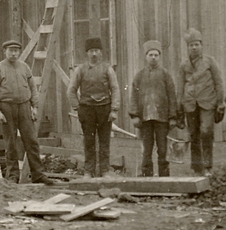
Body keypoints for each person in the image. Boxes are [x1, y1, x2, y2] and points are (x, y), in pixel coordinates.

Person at [0, 39, 49, 184]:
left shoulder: (24, 67)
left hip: (24, 107)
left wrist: (34, 107)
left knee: (32, 141)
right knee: (11, 143)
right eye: (11, 50)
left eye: (16, 51)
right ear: (5, 51)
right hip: (7, 108)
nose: (14, 54)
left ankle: (38, 174)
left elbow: (32, 88)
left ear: (19, 52)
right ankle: (13, 176)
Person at [68, 36, 121, 178]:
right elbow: (71, 90)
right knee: (89, 141)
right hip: (87, 110)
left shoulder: (108, 69)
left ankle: (104, 170)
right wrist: (77, 107)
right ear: (87, 53)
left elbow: (115, 89)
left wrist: (114, 110)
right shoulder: (80, 69)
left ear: (101, 52)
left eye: (97, 50)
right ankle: (88, 171)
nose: (94, 54)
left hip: (104, 109)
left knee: (104, 141)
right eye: (91, 51)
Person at [129, 40, 179, 177]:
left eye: (156, 55)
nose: (153, 57)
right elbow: (134, 96)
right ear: (146, 56)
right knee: (147, 149)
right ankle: (147, 175)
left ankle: (164, 176)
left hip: (162, 118)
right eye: (150, 55)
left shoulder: (165, 75)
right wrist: (135, 115)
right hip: (145, 118)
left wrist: (173, 117)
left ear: (160, 57)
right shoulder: (139, 76)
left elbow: (172, 96)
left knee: (162, 149)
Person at [179, 28, 225, 175]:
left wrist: (220, 102)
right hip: (190, 104)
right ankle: (197, 168)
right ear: (187, 47)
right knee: (193, 134)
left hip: (207, 102)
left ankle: (207, 166)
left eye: (197, 44)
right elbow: (180, 87)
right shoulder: (184, 66)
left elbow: (219, 83)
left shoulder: (209, 62)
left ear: (201, 46)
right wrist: (179, 107)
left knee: (206, 131)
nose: (194, 47)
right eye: (191, 45)